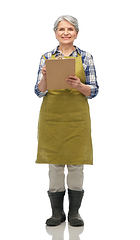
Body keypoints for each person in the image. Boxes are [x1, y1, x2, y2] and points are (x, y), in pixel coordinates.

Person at [34, 15, 99, 227]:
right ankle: (56, 213)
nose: (65, 32)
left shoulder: (86, 57)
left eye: (70, 29)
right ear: (55, 33)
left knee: (76, 165)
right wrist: (45, 76)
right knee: (54, 165)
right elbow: (38, 91)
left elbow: (94, 90)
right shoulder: (46, 57)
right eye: (61, 29)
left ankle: (74, 213)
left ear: (76, 33)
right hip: (52, 117)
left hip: (76, 117)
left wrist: (79, 85)